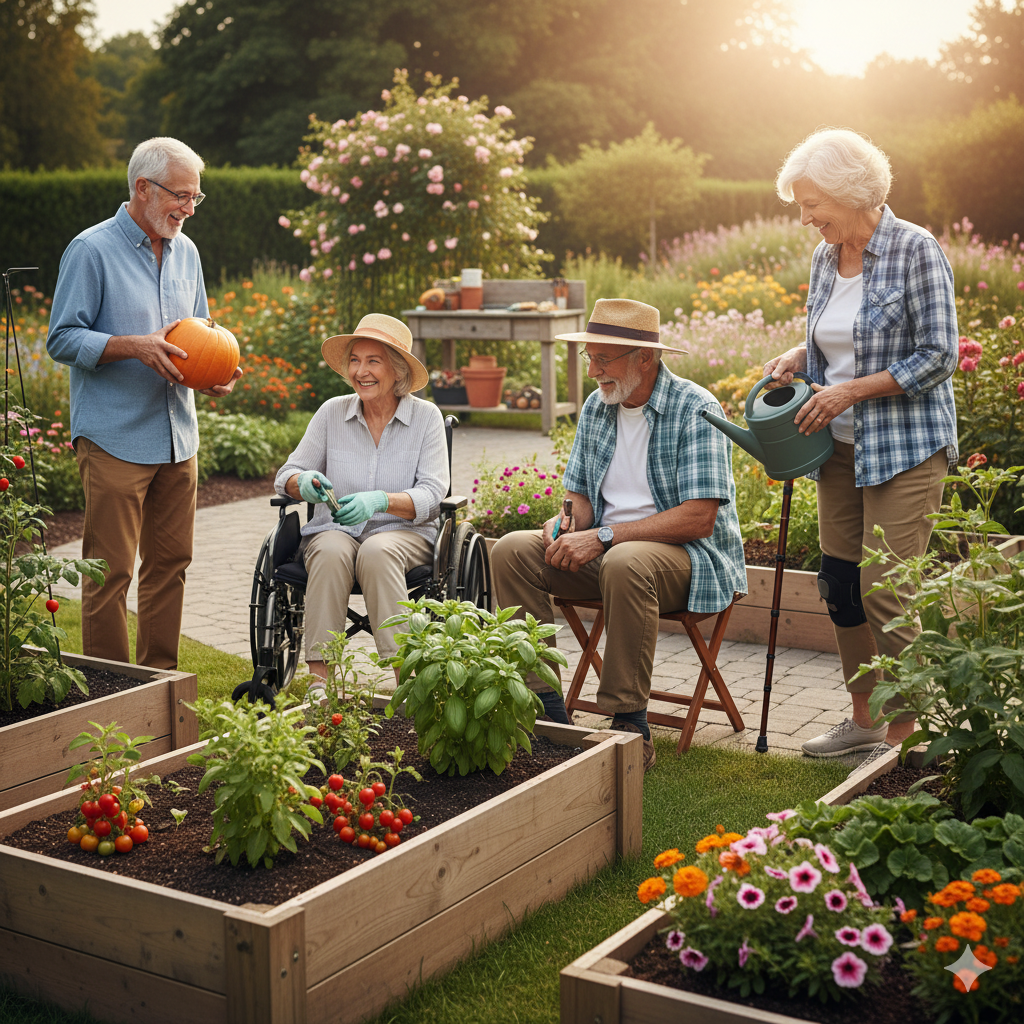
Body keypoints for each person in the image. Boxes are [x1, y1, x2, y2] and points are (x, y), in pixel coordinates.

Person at [490, 298, 747, 771]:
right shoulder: (598, 406)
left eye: (603, 359)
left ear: (644, 358)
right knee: (512, 550)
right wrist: (563, 524)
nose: (593, 372)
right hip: (610, 556)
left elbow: (698, 518)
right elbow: (580, 498)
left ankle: (630, 726)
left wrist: (604, 537)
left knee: (624, 561)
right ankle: (544, 709)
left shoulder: (696, 407)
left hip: (688, 558)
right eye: (591, 358)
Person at [766, 128, 958, 761]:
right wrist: (799, 356)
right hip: (838, 448)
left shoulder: (915, 250)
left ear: (851, 193)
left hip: (903, 447)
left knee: (885, 584)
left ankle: (910, 732)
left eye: (812, 203)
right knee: (841, 583)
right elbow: (830, 338)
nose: (805, 217)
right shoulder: (827, 256)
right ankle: (863, 719)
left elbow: (939, 356)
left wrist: (850, 393)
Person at [47, 137, 240, 670]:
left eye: (196, 198)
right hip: (114, 437)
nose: (188, 209)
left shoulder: (188, 252)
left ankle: (158, 684)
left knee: (171, 566)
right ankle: (113, 697)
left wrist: (212, 376)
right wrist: (134, 346)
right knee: (109, 573)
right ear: (142, 187)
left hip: (178, 436)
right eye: (180, 195)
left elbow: (200, 332)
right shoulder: (91, 250)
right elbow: (62, 338)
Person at [274, 314, 448, 685]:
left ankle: (408, 683)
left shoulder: (426, 418)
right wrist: (301, 482)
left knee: (377, 550)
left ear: (397, 370)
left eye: (374, 361)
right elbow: (285, 475)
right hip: (335, 530)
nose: (361, 371)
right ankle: (320, 685)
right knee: (333, 549)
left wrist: (381, 501)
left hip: (405, 535)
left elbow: (434, 495)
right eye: (355, 360)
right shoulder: (331, 412)